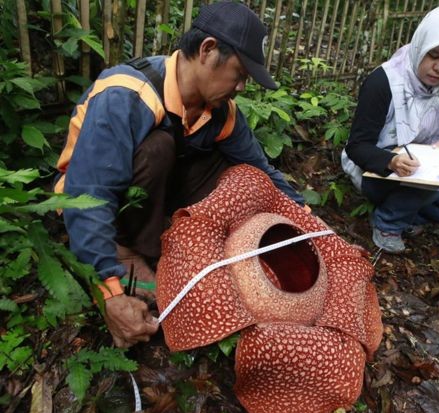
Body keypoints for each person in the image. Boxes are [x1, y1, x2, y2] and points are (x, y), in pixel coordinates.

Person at [54, 1, 305, 348]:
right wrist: (110, 291)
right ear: (207, 50)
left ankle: (177, 242)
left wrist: (305, 216)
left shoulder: (220, 112)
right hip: (88, 199)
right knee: (158, 147)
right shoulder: (126, 96)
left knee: (239, 170)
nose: (241, 88)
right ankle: (126, 252)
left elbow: (261, 169)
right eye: (240, 74)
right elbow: (89, 196)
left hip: (154, 195)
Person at [341, 5, 439, 254]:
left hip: (425, 170)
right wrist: (392, 161)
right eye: (433, 56)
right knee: (426, 185)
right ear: (420, 46)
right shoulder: (384, 81)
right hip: (380, 170)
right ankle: (388, 222)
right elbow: (357, 146)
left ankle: (407, 212)